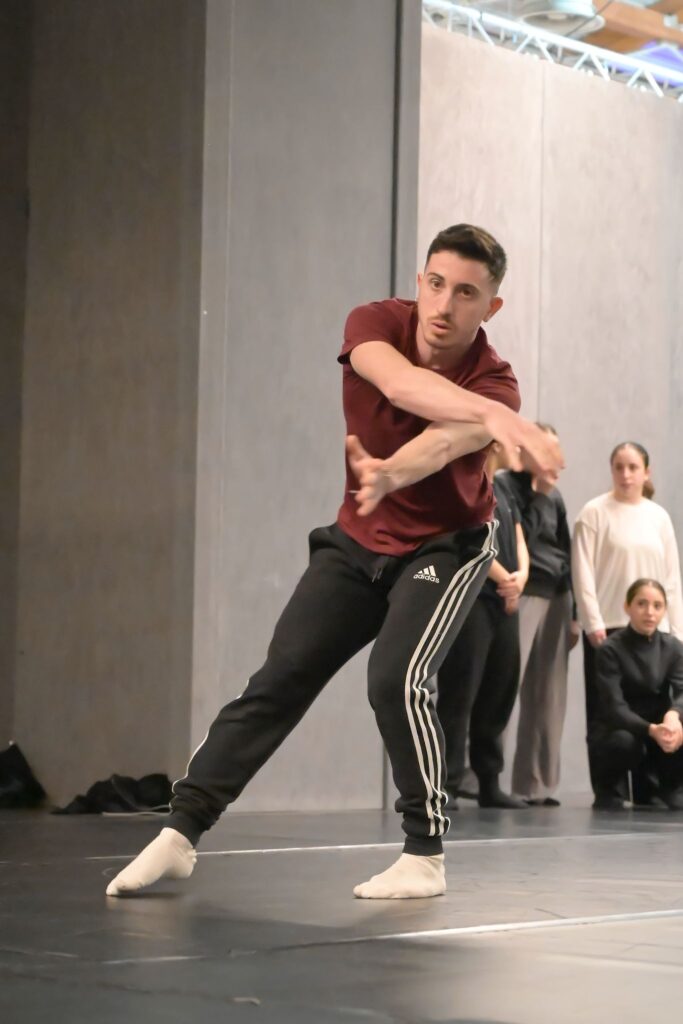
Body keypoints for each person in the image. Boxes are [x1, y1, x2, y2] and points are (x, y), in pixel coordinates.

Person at [106, 223, 561, 901]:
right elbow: (399, 384)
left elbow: (441, 445)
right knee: (280, 677)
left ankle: (424, 855)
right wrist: (499, 426)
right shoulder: (373, 323)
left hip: (448, 547)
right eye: (436, 284)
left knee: (396, 679)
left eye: (465, 294)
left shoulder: (495, 382)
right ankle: (180, 833)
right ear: (419, 281)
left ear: (490, 307)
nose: (443, 306)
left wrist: (396, 470)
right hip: (356, 541)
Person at [572, 442, 683, 795]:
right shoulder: (594, 512)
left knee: (654, 708)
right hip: (607, 628)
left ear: (646, 473)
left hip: (654, 631)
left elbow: (671, 578)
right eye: (619, 467)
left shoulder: (658, 516)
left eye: (633, 467)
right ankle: (610, 790)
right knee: (607, 712)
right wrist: (592, 622)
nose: (625, 474)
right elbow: (582, 572)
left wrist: (676, 629)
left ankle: (650, 789)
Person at [437, 441, 530, 809]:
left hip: (505, 603)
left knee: (498, 691)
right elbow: (467, 541)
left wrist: (521, 577)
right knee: (460, 693)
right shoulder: (464, 484)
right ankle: (446, 784)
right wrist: (505, 579)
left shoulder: (504, 488)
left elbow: (519, 538)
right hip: (473, 601)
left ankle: (489, 782)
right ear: (492, 444)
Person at [503, 426, 579, 806]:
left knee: (548, 694)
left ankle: (536, 785)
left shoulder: (556, 495)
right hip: (522, 591)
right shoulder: (507, 485)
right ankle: (480, 779)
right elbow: (516, 541)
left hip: (557, 595)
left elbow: (566, 550)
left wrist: (575, 612)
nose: (555, 459)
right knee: (505, 686)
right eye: (547, 450)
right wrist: (537, 492)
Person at [590, 579, 683, 810]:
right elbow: (614, 707)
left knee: (677, 729)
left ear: (664, 610)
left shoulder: (673, 647)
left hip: (658, 726)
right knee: (624, 742)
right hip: (618, 728)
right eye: (642, 604)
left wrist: (674, 715)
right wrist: (651, 730)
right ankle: (609, 790)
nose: (650, 612)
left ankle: (669, 788)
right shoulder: (610, 649)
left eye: (657, 606)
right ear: (627, 607)